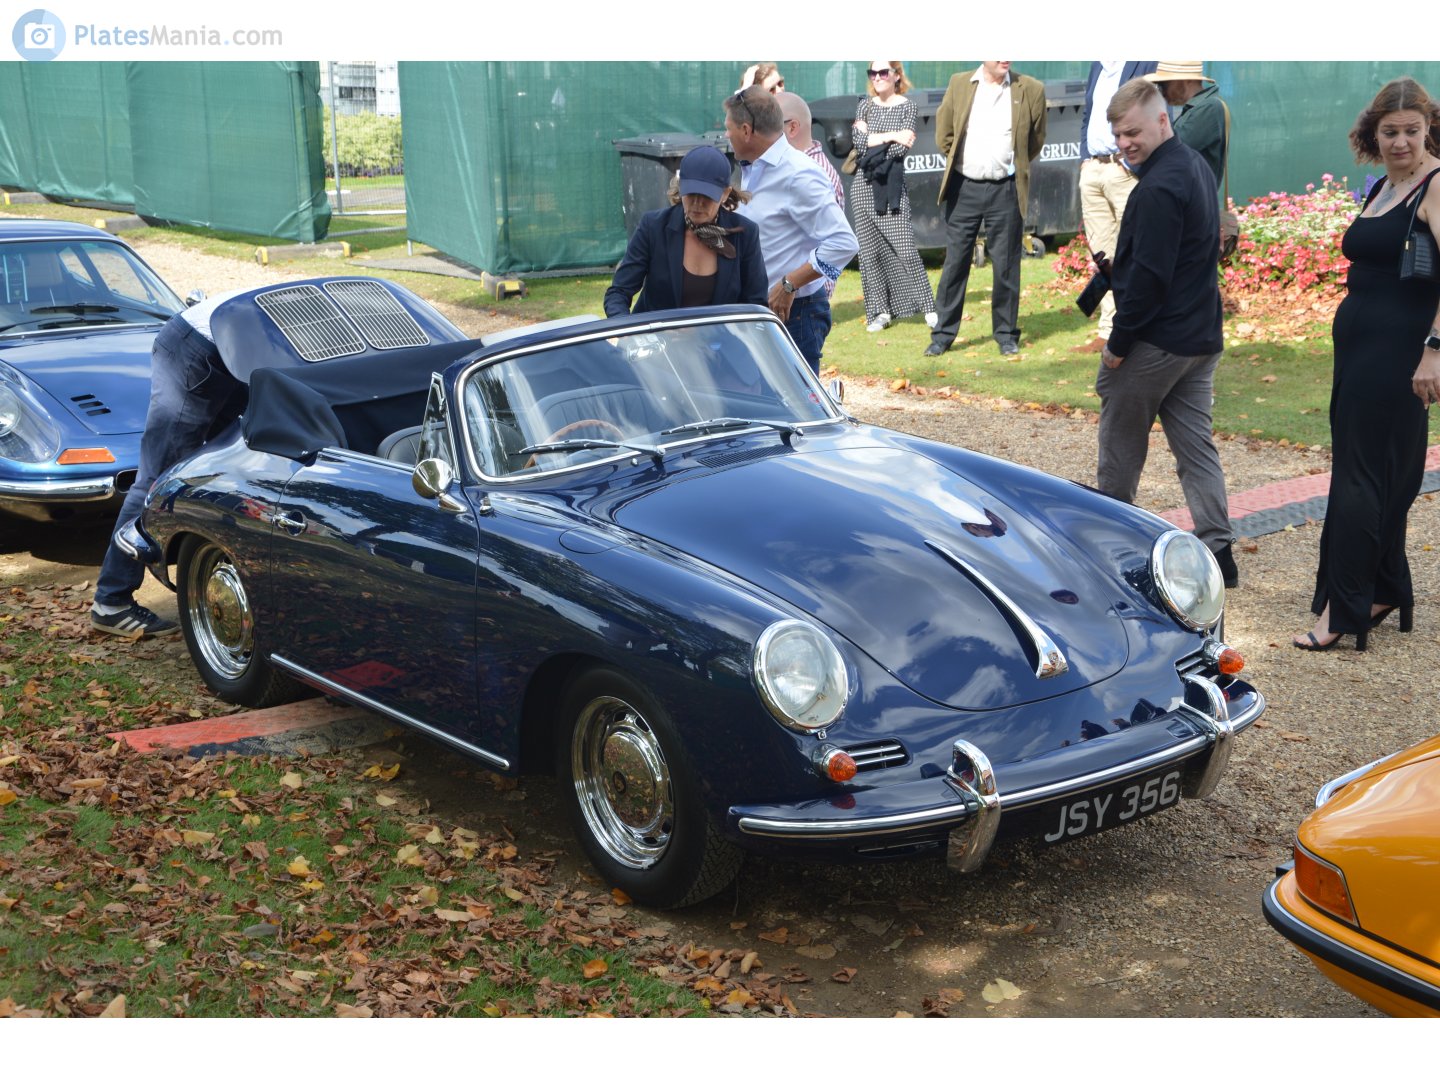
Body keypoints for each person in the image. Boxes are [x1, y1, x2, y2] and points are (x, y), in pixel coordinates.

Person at [1293, 76, 1440, 651]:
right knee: (1372, 471)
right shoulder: (1382, 184)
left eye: (1410, 130)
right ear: (1372, 132)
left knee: (1364, 478)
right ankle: (1382, 589)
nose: (1400, 141)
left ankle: (1345, 608)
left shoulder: (1434, 186)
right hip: (1359, 351)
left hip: (1402, 354)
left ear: (1428, 128)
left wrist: (1433, 352)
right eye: (1389, 131)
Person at [1095, 78, 1238, 588]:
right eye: (1118, 134)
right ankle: (1219, 550)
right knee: (1196, 447)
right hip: (1200, 337)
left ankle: (1107, 545)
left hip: (1159, 340)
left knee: (1120, 445)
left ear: (1162, 120)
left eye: (1132, 131)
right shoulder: (1193, 165)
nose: (1125, 142)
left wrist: (1117, 345)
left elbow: (1150, 283)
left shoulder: (1157, 186)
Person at [90, 289, 247, 638]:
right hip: (196, 349)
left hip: (227, 352)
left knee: (244, 455)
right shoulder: (315, 332)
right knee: (156, 476)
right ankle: (110, 602)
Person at [724, 86, 859, 374]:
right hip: (762, 312)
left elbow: (843, 243)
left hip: (794, 315)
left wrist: (789, 284)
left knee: (796, 414)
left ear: (746, 130)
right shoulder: (754, 168)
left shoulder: (798, 173)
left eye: (729, 128)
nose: (726, 135)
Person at [925, 61, 1047, 357]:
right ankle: (942, 335)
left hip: (1005, 188)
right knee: (955, 263)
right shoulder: (959, 83)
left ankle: (1006, 335)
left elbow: (1035, 141)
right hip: (964, 187)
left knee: (1006, 265)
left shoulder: (1030, 88)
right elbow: (944, 136)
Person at [603, 145, 767, 317]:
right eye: (691, 193)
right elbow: (618, 292)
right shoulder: (653, 227)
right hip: (658, 340)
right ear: (681, 187)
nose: (697, 203)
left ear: (725, 194)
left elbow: (756, 304)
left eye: (706, 196)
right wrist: (630, 334)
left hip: (718, 341)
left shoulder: (745, 234)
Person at [1076, 61, 1158, 353]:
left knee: (1135, 250)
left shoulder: (1144, 60)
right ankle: (1109, 331)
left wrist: (1135, 164)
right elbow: (1088, 112)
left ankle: (1139, 328)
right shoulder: (1098, 65)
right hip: (1094, 169)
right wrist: (1085, 157)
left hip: (1125, 170)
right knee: (1104, 255)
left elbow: (1155, 115)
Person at [850, 61, 936, 333]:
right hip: (862, 187)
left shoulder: (908, 106)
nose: (877, 77)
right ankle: (879, 312)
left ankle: (929, 308)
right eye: (873, 73)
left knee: (906, 249)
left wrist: (875, 139)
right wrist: (892, 135)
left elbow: (900, 150)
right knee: (869, 253)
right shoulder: (865, 104)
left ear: (896, 75)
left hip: (891, 187)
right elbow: (859, 144)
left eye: (883, 72)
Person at [778, 91, 844, 300]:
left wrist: (790, 285)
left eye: (769, 125)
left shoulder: (813, 173)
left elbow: (839, 245)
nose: (762, 132)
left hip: (804, 301)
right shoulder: (796, 167)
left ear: (792, 127)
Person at [1145, 61, 1227, 188]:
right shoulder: (1195, 108)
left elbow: (1170, 151)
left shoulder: (1210, 107)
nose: (1162, 92)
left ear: (1188, 80)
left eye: (1164, 84)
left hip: (1192, 203)